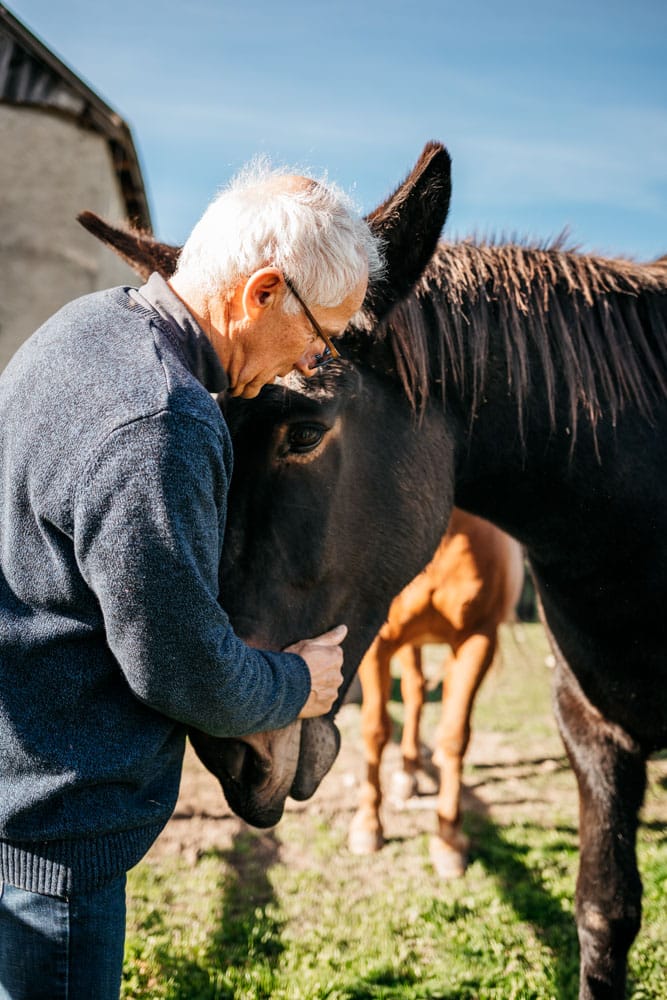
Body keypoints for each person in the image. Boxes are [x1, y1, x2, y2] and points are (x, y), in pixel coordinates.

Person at [0, 162, 384, 998]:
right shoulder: (164, 419)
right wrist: (299, 682)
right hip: (53, 832)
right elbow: (182, 669)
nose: (312, 361)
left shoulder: (85, 325)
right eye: (321, 333)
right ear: (265, 292)